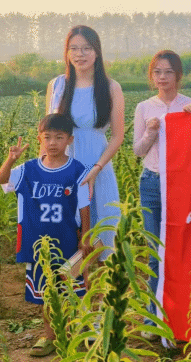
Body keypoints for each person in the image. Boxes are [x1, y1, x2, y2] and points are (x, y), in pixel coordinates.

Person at [0, 114, 91, 357]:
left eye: (59, 137)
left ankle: (70, 333)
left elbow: (84, 206)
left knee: (69, 289)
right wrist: (11, 158)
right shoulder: (28, 169)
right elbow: (1, 180)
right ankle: (49, 336)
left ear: (69, 140)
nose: (52, 143)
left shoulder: (77, 170)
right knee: (47, 291)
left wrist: (86, 235)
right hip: (38, 243)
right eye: (47, 137)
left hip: (67, 240)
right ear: (39, 139)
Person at [133, 50, 191, 340]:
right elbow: (138, 150)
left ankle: (181, 314)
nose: (162, 77)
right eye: (157, 72)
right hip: (151, 182)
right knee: (154, 252)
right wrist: (150, 132)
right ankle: (152, 316)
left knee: (181, 251)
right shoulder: (144, 107)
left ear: (178, 75)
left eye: (168, 72)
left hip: (181, 184)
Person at [46, 25, 124, 258]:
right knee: (65, 229)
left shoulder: (111, 87)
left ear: (97, 52)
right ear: (67, 53)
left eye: (86, 48)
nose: (80, 54)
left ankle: (100, 278)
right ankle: (69, 280)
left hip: (97, 166)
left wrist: (96, 169)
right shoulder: (57, 85)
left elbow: (117, 136)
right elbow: (47, 132)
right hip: (63, 164)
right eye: (74, 48)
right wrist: (46, 169)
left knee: (102, 230)